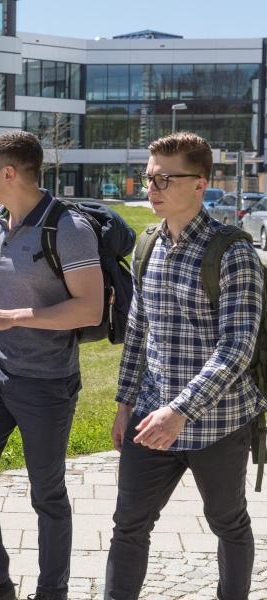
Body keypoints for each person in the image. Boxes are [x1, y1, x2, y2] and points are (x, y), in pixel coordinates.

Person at [104, 133, 266, 600]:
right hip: (150, 417)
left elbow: (236, 348)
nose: (151, 187)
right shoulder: (148, 245)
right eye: (149, 177)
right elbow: (138, 331)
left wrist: (180, 412)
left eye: (164, 178)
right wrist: (124, 404)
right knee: (128, 525)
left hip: (217, 422)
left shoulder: (233, 253)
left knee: (228, 522)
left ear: (200, 184)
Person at [0, 131, 103, 600]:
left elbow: (90, 309)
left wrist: (8, 318)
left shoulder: (68, 228)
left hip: (47, 384)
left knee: (47, 494)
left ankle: (52, 590)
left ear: (9, 173)